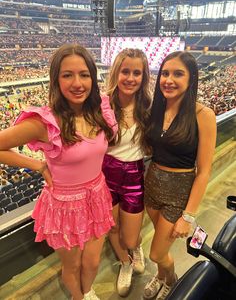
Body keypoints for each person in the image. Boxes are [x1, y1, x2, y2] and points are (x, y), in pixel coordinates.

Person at [0, 44, 117, 300]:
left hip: (96, 196)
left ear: (92, 77)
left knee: (93, 262)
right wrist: (37, 165)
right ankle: (80, 297)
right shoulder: (43, 122)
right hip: (64, 206)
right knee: (72, 265)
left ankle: (87, 291)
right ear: (56, 79)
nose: (78, 83)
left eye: (84, 74)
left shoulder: (100, 111)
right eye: (67, 75)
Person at [143, 51, 216, 300]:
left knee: (156, 253)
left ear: (191, 78)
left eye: (177, 74)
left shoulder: (203, 115)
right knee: (161, 247)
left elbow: (204, 170)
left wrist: (188, 216)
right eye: (165, 73)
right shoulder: (156, 109)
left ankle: (170, 278)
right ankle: (162, 276)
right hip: (151, 186)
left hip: (178, 193)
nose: (169, 79)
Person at [102, 48, 152, 296]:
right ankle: (125, 263)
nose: (130, 78)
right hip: (105, 176)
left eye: (137, 72)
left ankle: (135, 249)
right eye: (125, 71)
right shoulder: (102, 104)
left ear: (144, 77)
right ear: (116, 73)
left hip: (134, 177)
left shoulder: (150, 106)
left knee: (131, 237)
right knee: (111, 228)